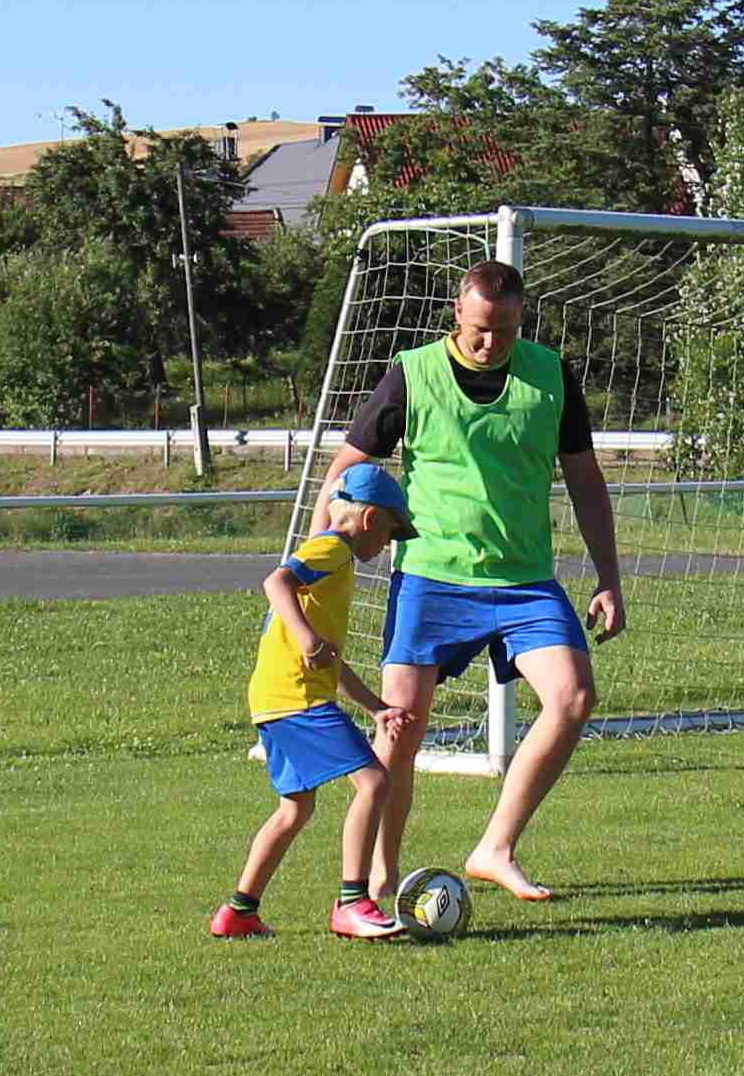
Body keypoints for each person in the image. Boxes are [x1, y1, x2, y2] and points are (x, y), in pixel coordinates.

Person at [334, 259, 627, 903]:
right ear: (456, 315)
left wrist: (608, 577)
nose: (493, 342)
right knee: (400, 729)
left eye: (506, 331)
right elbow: (346, 470)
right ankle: (379, 880)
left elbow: (585, 481)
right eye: (480, 330)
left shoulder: (551, 375)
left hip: (525, 581)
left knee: (573, 697)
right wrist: (329, 550)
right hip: (431, 579)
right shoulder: (412, 374)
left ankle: (495, 848)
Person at [216, 465, 412, 940]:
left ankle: (238, 912)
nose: (387, 544)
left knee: (294, 810)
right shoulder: (332, 550)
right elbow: (276, 582)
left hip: (274, 699)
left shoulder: (334, 566)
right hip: (295, 698)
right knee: (374, 782)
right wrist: (305, 638)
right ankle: (353, 902)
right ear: (369, 519)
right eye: (389, 532)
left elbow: (328, 659)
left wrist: (375, 707)